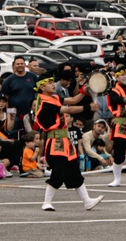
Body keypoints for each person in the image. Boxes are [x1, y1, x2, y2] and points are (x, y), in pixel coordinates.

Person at [32, 77, 103, 212]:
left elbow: (72, 100)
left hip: (65, 142)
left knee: (74, 172)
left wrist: (83, 91)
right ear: (42, 87)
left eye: (54, 82)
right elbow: (68, 110)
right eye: (50, 83)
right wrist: (88, 107)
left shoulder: (54, 98)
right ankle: (46, 202)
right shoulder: (44, 103)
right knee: (58, 173)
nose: (54, 85)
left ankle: (87, 201)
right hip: (55, 143)